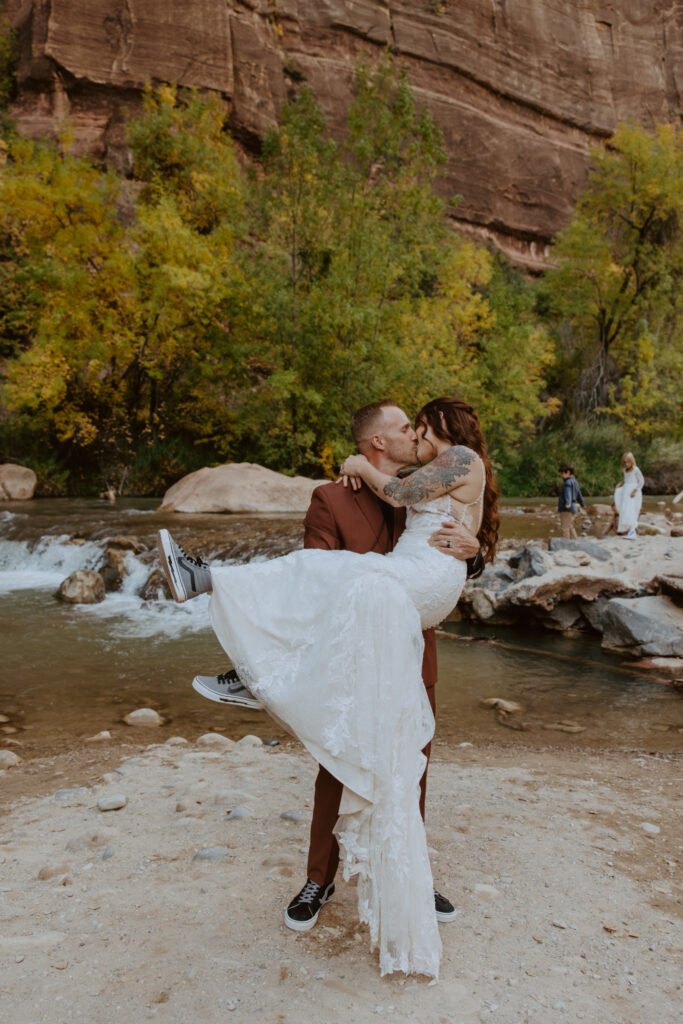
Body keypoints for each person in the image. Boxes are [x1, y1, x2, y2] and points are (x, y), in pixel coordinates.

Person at [157, 397, 499, 979]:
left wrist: (474, 557)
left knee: (409, 766)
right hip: (347, 652)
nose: (410, 434)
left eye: (416, 426)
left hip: (415, 644)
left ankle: (409, 884)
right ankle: (319, 880)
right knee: (337, 764)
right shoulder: (332, 496)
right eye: (401, 428)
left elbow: (469, 535)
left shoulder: (429, 474)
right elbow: (311, 578)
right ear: (377, 444)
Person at [614, 451, 644, 538]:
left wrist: (635, 491)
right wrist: (620, 483)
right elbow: (627, 479)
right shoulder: (624, 470)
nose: (626, 464)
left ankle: (632, 531)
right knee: (625, 510)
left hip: (633, 491)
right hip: (626, 490)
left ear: (632, 461)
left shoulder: (636, 469)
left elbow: (641, 481)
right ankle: (629, 530)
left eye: (628, 462)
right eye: (625, 462)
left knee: (631, 510)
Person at [557, 463, 585, 539]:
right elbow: (579, 494)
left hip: (566, 508)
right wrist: (582, 503)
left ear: (568, 472)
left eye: (563, 473)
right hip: (573, 507)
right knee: (570, 527)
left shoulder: (567, 483)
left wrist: (568, 503)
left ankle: (566, 544)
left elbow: (567, 493)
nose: (562, 475)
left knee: (565, 527)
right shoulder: (575, 482)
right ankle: (575, 542)